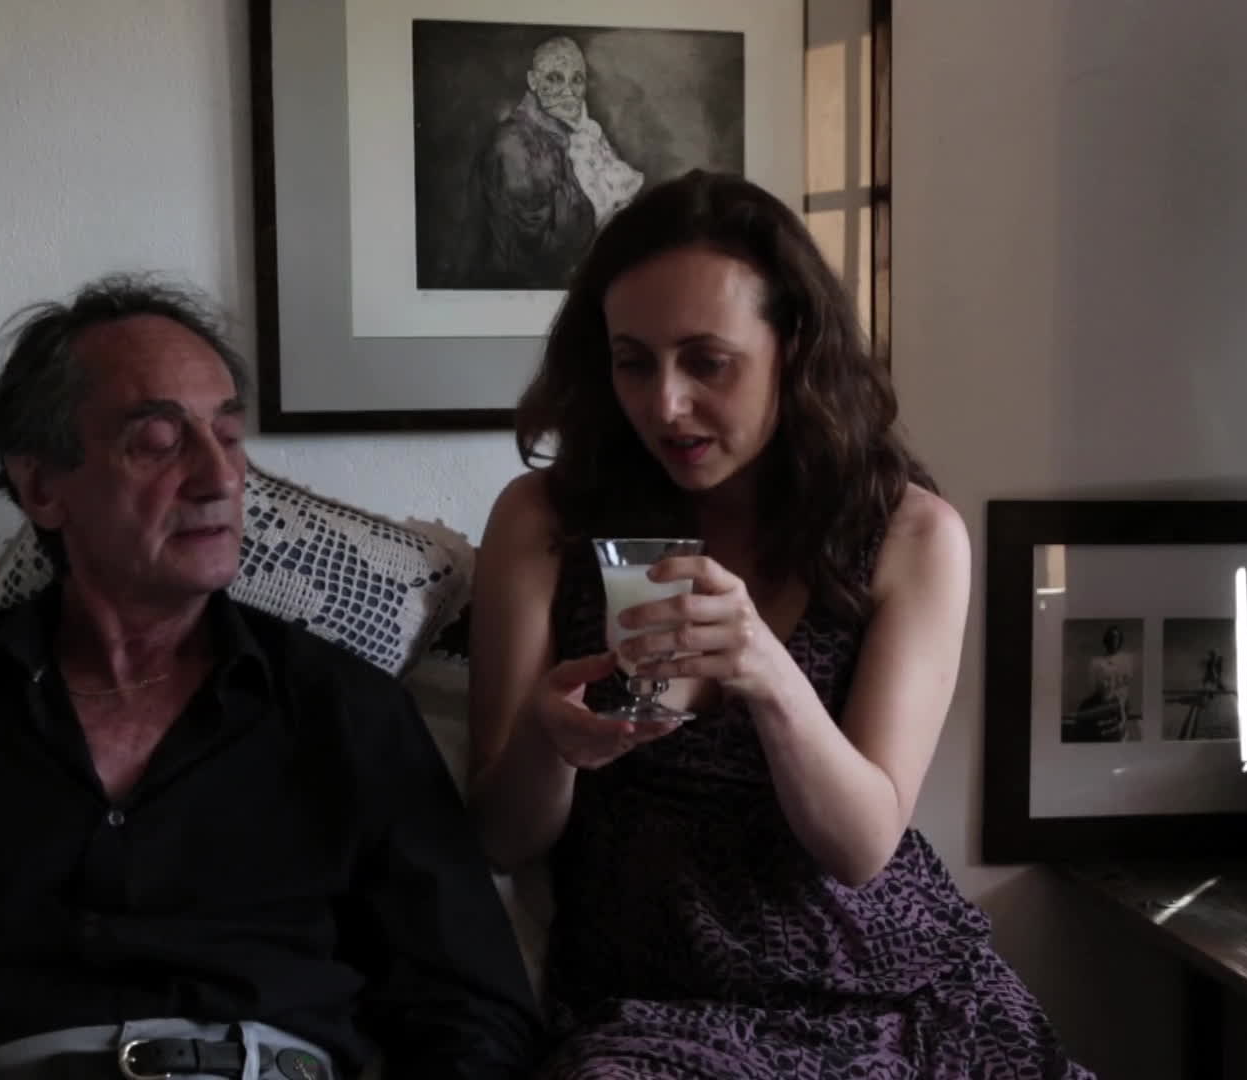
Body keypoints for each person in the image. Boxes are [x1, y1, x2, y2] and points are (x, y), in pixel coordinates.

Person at [0, 276, 543, 1080]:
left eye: (228, 436)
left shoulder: (343, 711)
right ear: (42, 487)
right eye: (159, 442)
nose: (220, 478)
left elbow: (471, 1009)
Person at [466, 170, 1092, 1078]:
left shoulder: (907, 536)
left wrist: (766, 669)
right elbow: (497, 837)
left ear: (792, 346)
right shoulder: (546, 522)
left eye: (707, 362)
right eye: (633, 361)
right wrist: (547, 739)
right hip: (656, 1006)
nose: (665, 403)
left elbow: (862, 847)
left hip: (894, 989)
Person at [457, 35, 645, 289]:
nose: (568, 91)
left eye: (576, 79)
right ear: (533, 81)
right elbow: (536, 250)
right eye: (555, 78)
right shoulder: (513, 144)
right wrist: (604, 211)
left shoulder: (581, 134)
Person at [1070, 624, 1135, 742]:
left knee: (1120, 733)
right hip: (1103, 704)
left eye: (1116, 638)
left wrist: (1122, 705)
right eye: (1111, 638)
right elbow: (1094, 685)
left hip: (1120, 703)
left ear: (1120, 640)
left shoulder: (1126, 660)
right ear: (1106, 640)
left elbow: (1126, 684)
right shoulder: (1097, 662)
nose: (1114, 641)